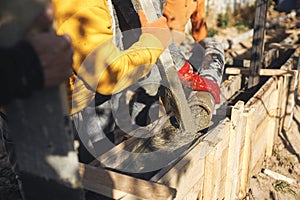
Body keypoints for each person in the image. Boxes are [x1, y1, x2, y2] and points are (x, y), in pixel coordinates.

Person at [51, 0, 172, 162]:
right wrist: (154, 41)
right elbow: (107, 76)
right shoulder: (81, 5)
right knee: (68, 177)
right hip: (54, 111)